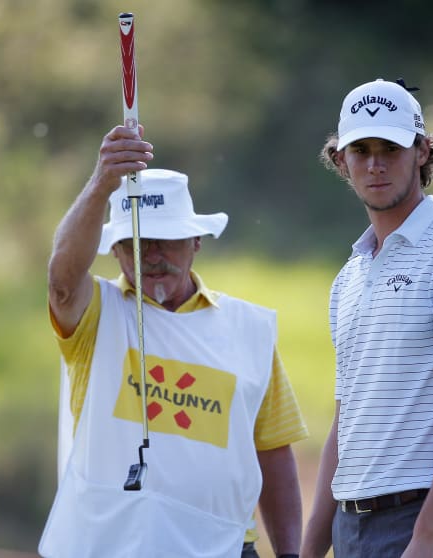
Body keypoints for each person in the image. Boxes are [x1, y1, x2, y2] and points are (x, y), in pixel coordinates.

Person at [38, 124, 307, 558]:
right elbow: (62, 283)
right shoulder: (97, 314)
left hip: (227, 547)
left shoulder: (248, 328)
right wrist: (103, 180)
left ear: (196, 241)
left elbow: (272, 452)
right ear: (116, 251)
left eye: (168, 241)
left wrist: (291, 554)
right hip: (117, 547)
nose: (153, 255)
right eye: (135, 244)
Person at [301, 79, 433, 558]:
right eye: (361, 150)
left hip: (430, 523)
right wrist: (312, 543)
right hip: (353, 525)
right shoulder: (351, 276)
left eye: (391, 148)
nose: (375, 164)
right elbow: (348, 420)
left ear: (422, 151)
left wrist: (429, 535)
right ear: (341, 160)